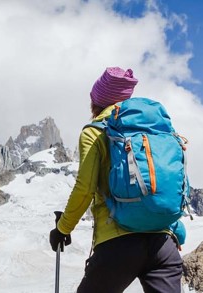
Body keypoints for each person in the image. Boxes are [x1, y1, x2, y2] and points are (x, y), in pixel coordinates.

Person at [49, 67, 183, 293]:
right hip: (164, 244)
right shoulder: (155, 131)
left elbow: (85, 188)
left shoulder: (95, 132)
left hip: (118, 243)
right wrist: (176, 233)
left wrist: (62, 229)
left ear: (96, 101)